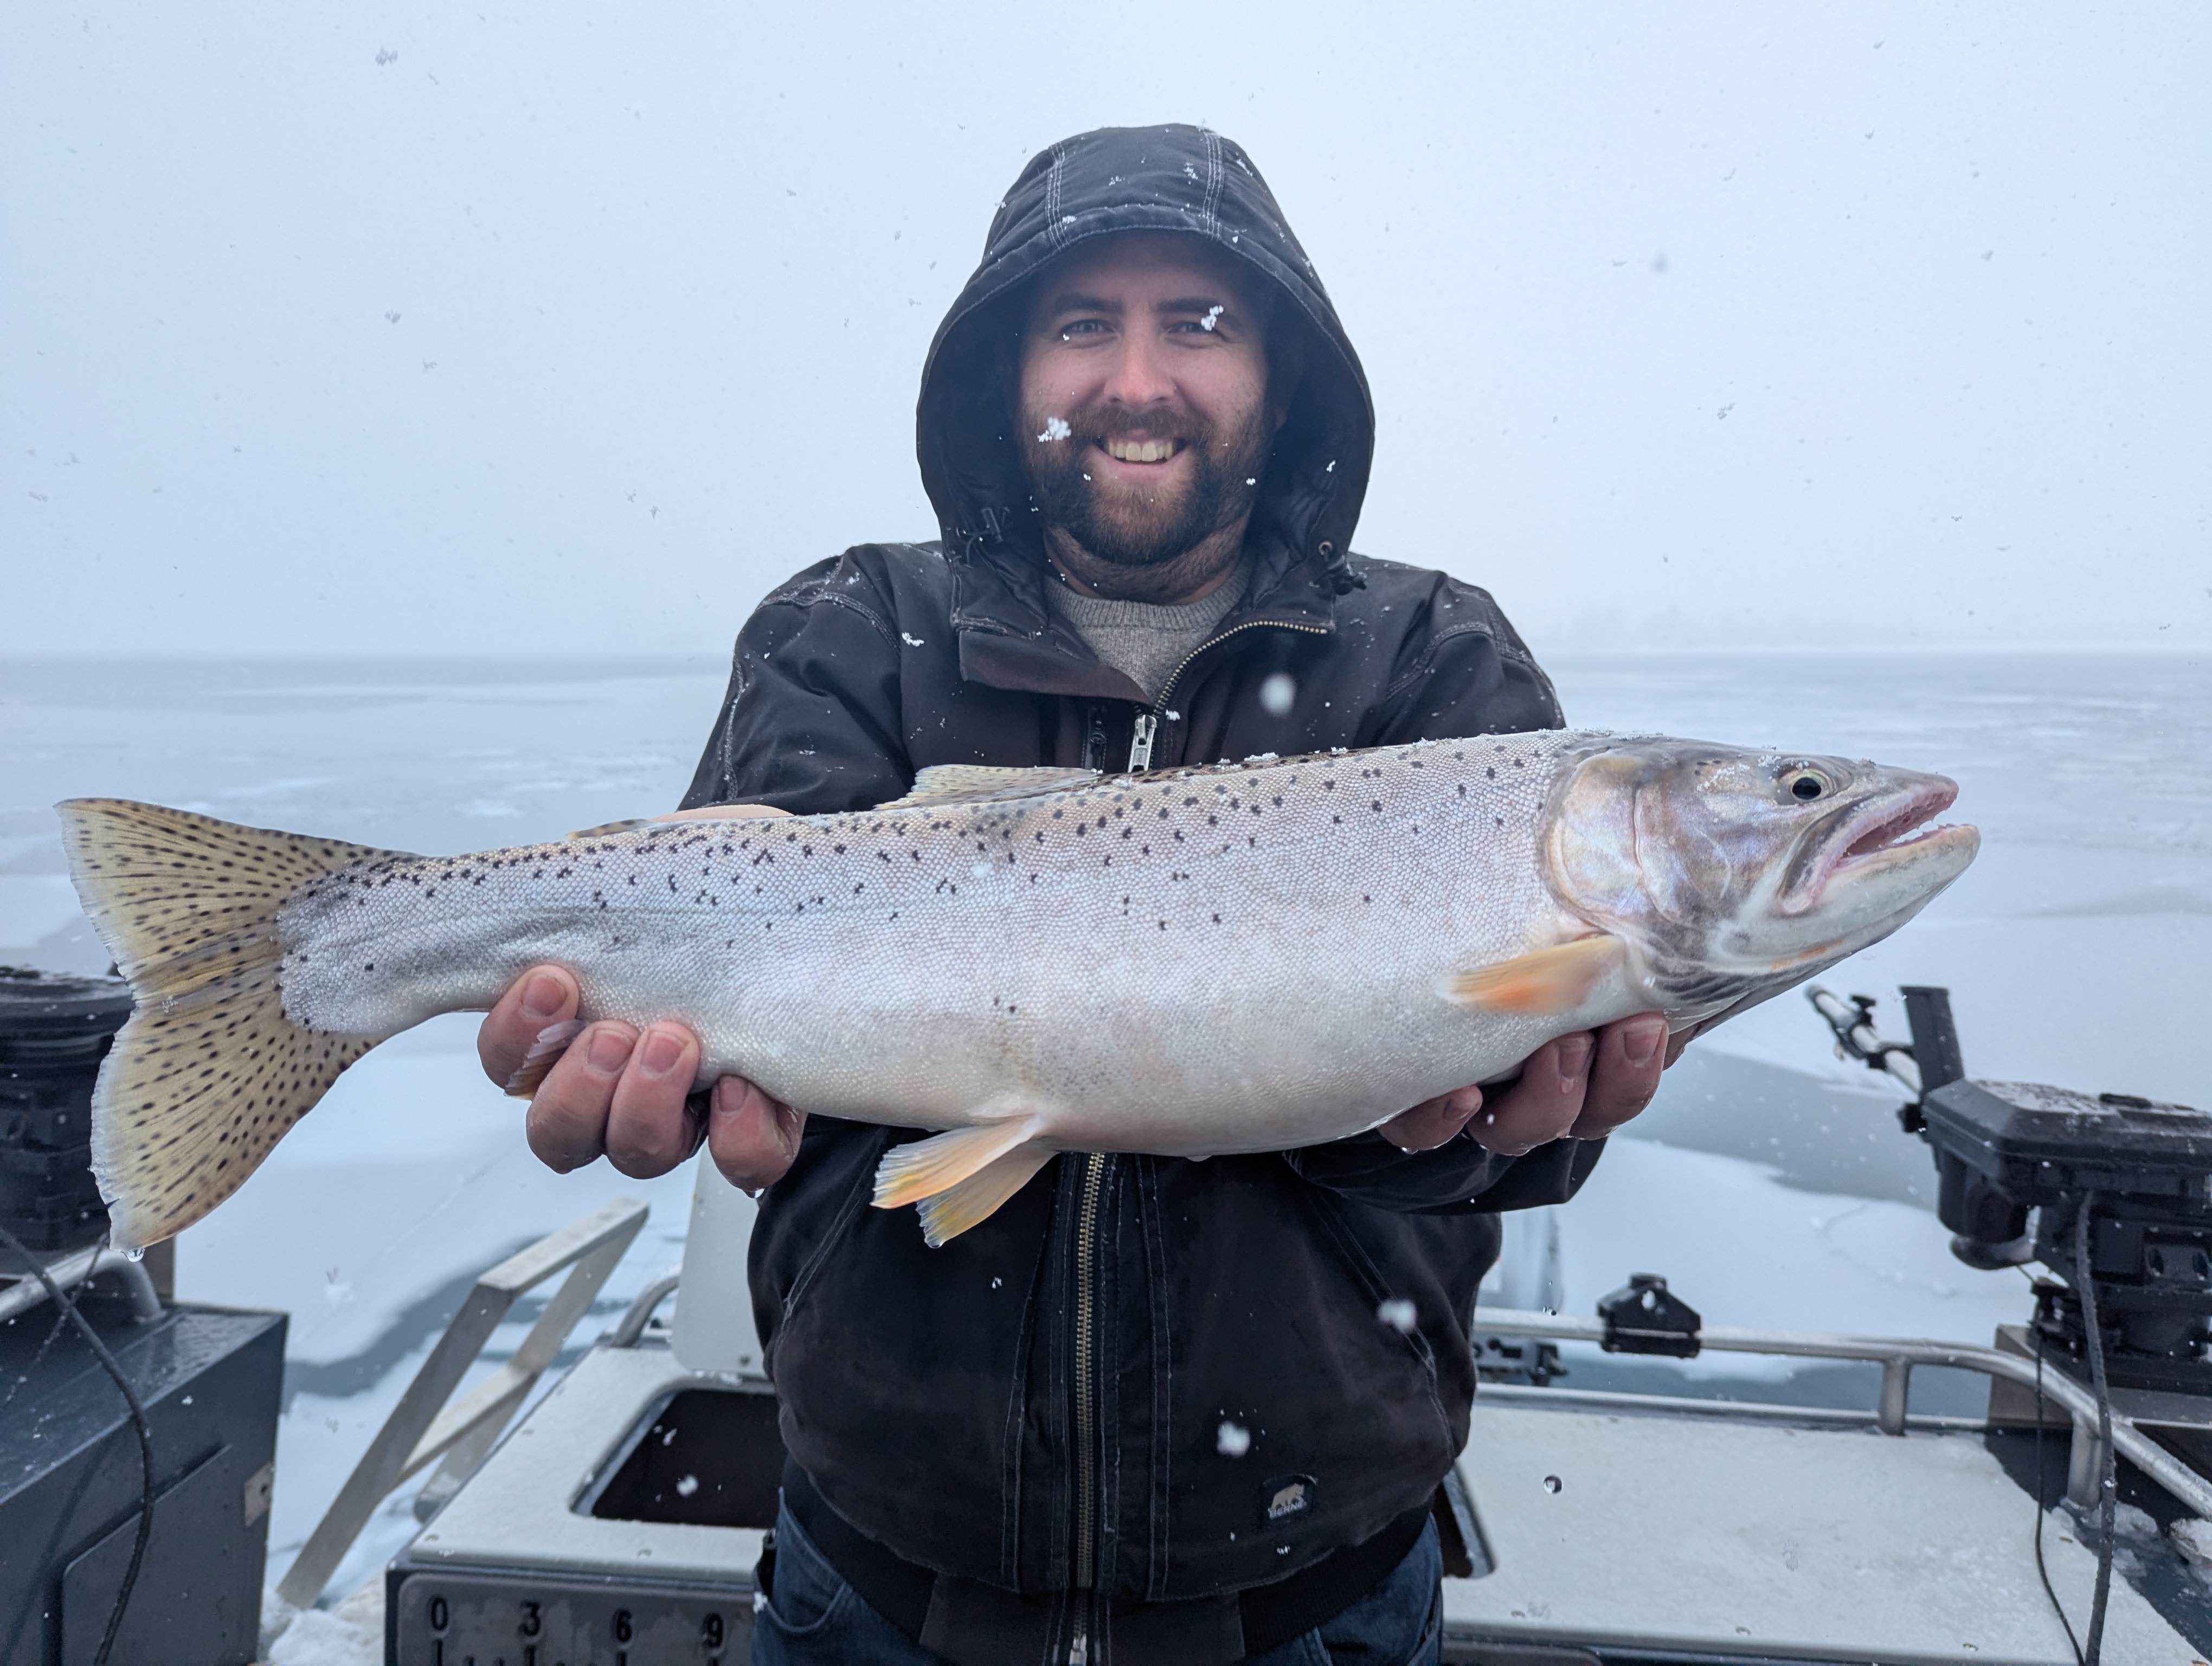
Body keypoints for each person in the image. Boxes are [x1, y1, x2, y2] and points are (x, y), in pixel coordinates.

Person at [477, 125, 1677, 1666]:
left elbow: (1514, 1158)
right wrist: (683, 1092)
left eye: (1201, 322)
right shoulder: (850, 626)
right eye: (1080, 324)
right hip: (881, 1578)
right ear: (1006, 373)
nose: (1139, 379)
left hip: (1313, 1589)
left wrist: (1483, 1132)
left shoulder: (1435, 658)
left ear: (1282, 373)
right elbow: (756, 1076)